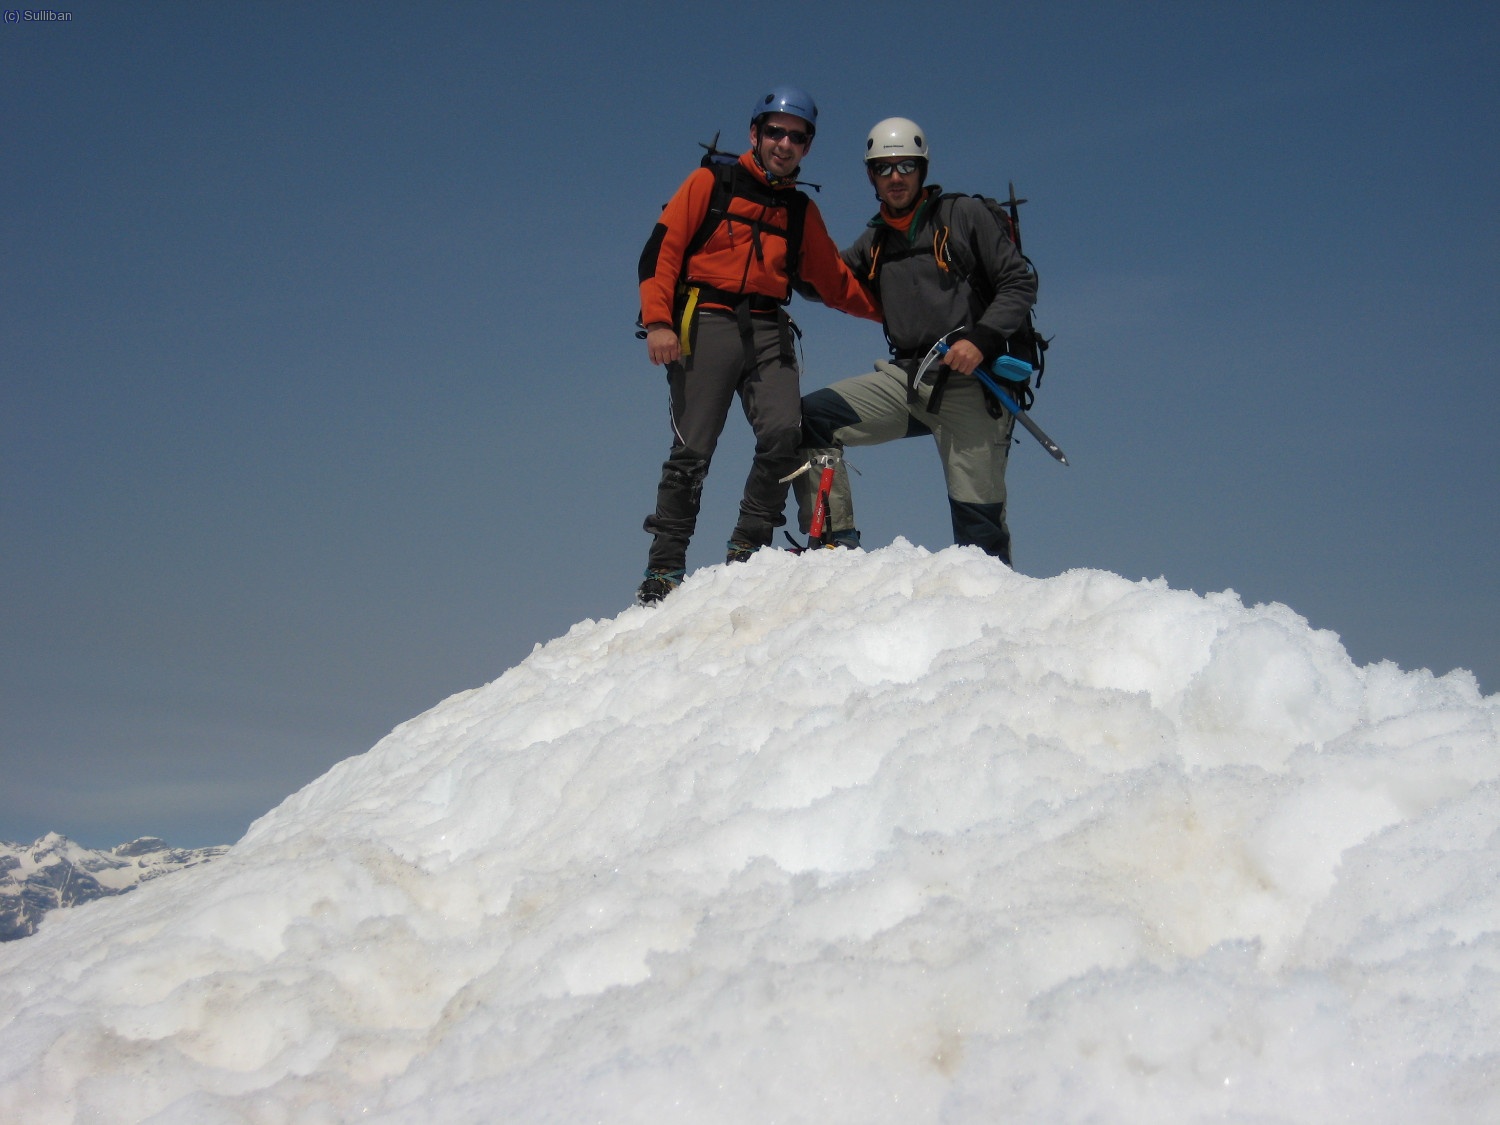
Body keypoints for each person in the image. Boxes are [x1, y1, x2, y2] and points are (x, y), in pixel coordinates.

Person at [635, 86, 881, 606]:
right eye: (775, 132)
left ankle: (749, 546)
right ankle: (664, 568)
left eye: (797, 137)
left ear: (807, 147)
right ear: (755, 133)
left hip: (768, 326)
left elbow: (833, 281)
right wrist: (658, 322)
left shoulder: (798, 210)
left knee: (784, 435)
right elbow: (662, 250)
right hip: (705, 319)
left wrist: (890, 313)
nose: (784, 144)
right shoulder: (712, 182)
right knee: (693, 449)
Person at [793, 117, 1038, 564]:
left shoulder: (963, 216)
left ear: (922, 169)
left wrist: (980, 340)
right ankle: (832, 547)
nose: (895, 177)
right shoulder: (877, 240)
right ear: (871, 175)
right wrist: (779, 251)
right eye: (884, 169)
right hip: (910, 378)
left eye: (905, 165)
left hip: (973, 384)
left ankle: (994, 611)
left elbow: (1017, 284)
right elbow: (826, 279)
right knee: (811, 418)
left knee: (978, 527)